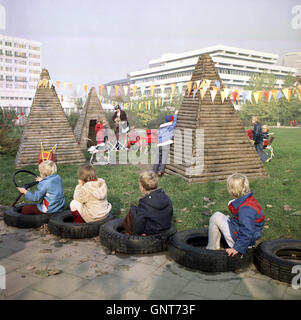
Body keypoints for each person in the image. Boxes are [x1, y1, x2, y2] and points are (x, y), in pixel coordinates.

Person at [206, 173, 265, 256]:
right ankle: (216, 247)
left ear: (232, 190)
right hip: (245, 235)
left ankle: (210, 250)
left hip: (242, 241)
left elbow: (247, 231)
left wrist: (237, 248)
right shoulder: (249, 199)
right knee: (226, 209)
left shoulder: (245, 209)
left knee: (215, 217)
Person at [122, 171, 173, 235]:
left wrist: (136, 235)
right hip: (165, 226)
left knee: (132, 209)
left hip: (152, 230)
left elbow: (139, 222)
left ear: (142, 188)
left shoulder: (144, 203)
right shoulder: (165, 196)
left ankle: (128, 233)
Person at [153, 110, 178, 176]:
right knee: (164, 158)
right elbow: (175, 123)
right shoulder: (169, 127)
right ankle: (161, 171)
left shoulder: (161, 128)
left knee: (157, 158)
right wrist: (175, 114)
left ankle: (154, 170)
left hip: (160, 144)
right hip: (166, 144)